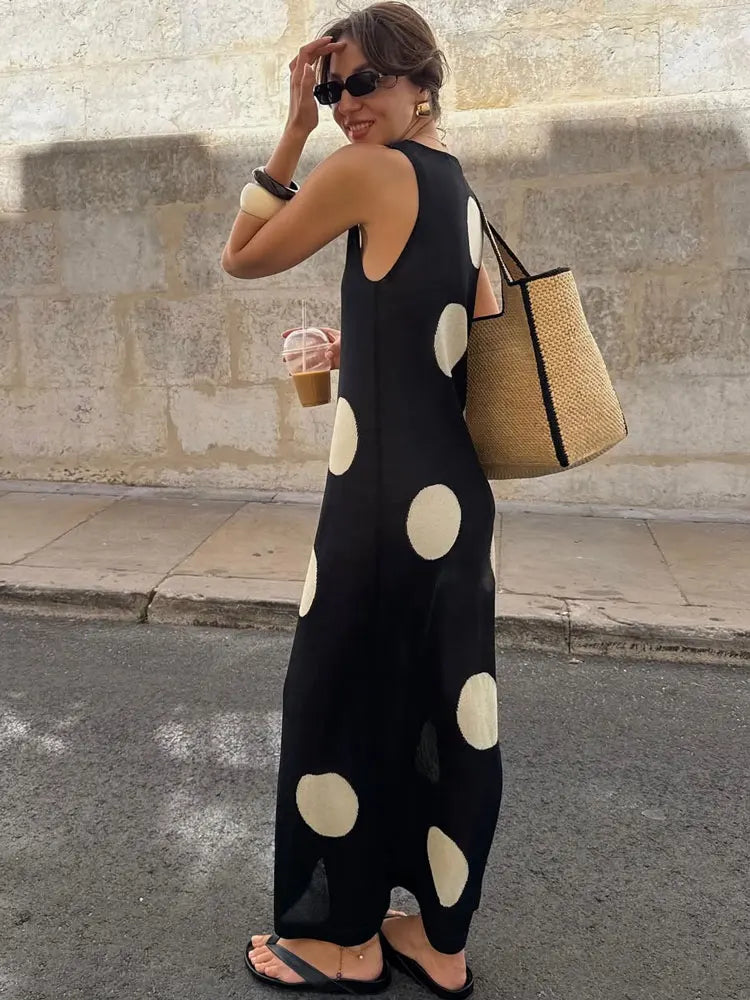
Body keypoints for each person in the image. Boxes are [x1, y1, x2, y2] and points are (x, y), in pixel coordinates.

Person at [221, 3, 502, 995]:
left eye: (360, 83)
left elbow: (243, 256)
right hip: (452, 498)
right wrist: (370, 351)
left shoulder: (357, 170)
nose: (344, 105)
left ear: (417, 79)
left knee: (336, 693)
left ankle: (340, 938)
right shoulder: (456, 181)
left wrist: (291, 132)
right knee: (442, 703)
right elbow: (475, 323)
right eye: (328, 88)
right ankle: (438, 936)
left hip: (379, 496)